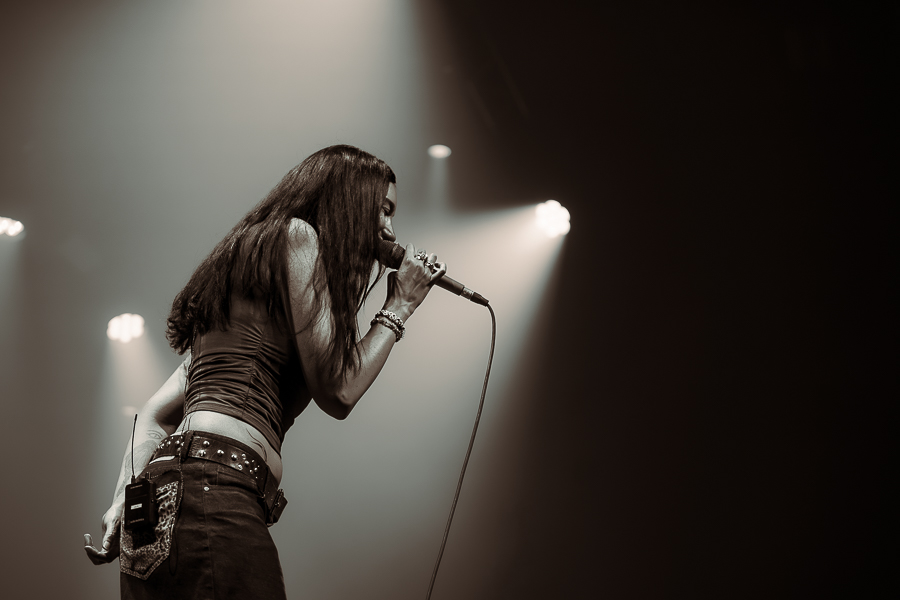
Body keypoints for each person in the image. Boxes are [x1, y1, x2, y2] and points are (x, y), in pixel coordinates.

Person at [84, 145, 447, 599]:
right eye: (384, 210)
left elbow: (155, 415)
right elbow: (340, 392)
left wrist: (125, 498)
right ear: (349, 200)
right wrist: (400, 305)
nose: (390, 229)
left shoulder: (247, 280)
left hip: (163, 502)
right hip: (214, 489)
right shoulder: (300, 236)